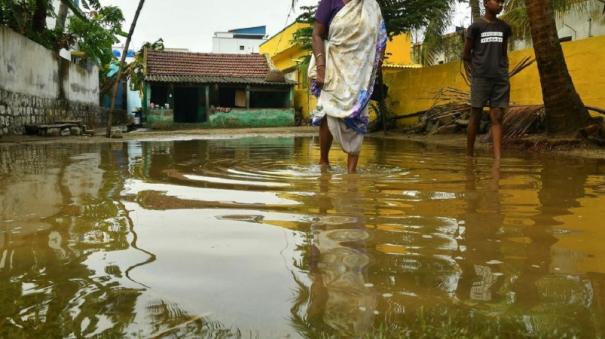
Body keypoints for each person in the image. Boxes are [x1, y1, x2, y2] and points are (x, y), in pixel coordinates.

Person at [309, 0, 387, 173]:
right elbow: (316, 35)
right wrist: (321, 67)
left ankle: (351, 172)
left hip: (360, 74)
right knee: (327, 112)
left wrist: (375, 66)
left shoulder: (371, 5)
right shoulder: (330, 1)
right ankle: (324, 163)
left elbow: (381, 39)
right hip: (334, 68)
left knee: (357, 116)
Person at [463, 0, 512, 160]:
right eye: (496, 1)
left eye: (502, 2)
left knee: (497, 116)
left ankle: (497, 159)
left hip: (500, 78)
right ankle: (469, 156)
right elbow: (466, 53)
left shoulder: (504, 27)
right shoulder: (475, 27)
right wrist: (472, 71)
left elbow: (504, 53)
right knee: (475, 114)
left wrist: (504, 70)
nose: (500, 4)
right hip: (481, 78)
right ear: (485, 3)